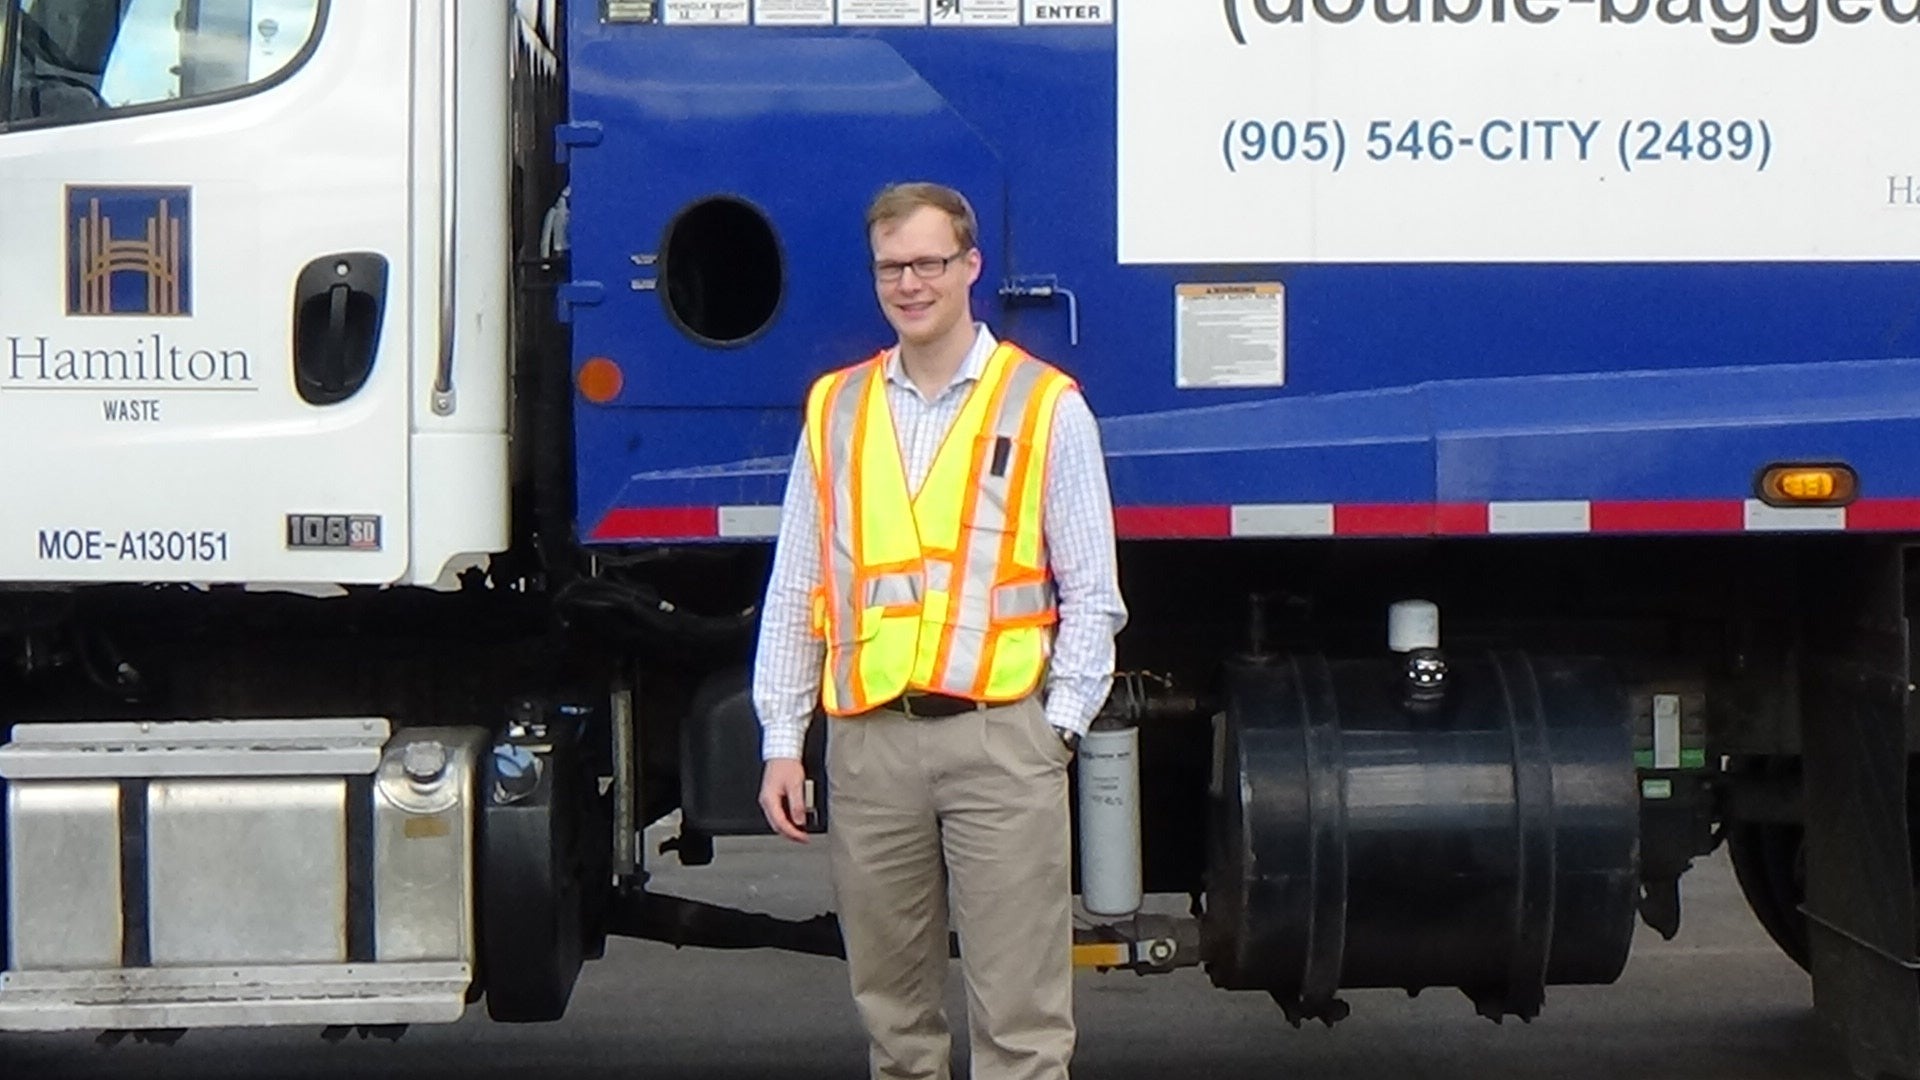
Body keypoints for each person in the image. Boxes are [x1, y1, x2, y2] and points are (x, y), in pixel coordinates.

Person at [753, 181, 1128, 1080]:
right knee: (895, 1024)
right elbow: (798, 581)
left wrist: (1056, 729)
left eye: (929, 262)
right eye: (892, 266)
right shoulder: (835, 410)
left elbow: (1094, 594)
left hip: (999, 741)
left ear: (970, 267)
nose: (910, 283)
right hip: (870, 746)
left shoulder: (1045, 407)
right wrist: (781, 738)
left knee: (1023, 1028)